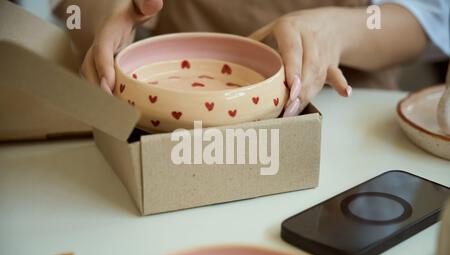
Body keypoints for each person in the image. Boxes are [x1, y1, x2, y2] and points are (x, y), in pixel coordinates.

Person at [55, 0, 450, 117]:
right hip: (172, 118)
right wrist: (111, 12)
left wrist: (339, 30)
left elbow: (432, 15)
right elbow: (78, 9)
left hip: (341, 118)